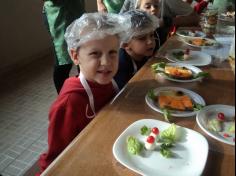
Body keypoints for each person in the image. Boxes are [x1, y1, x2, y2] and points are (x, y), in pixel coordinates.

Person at [36, 12, 131, 175]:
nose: (106, 62)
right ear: (75, 56)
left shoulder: (109, 82)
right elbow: (56, 158)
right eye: (95, 54)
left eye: (112, 53)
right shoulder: (69, 103)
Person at [43, 0, 85, 94]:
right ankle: (64, 99)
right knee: (63, 62)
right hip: (59, 16)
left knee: (83, 55)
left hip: (76, 10)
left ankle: (84, 92)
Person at [114, 10, 159, 89]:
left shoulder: (144, 54)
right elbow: (125, 93)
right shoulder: (121, 64)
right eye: (142, 38)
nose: (150, 41)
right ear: (125, 44)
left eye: (152, 35)